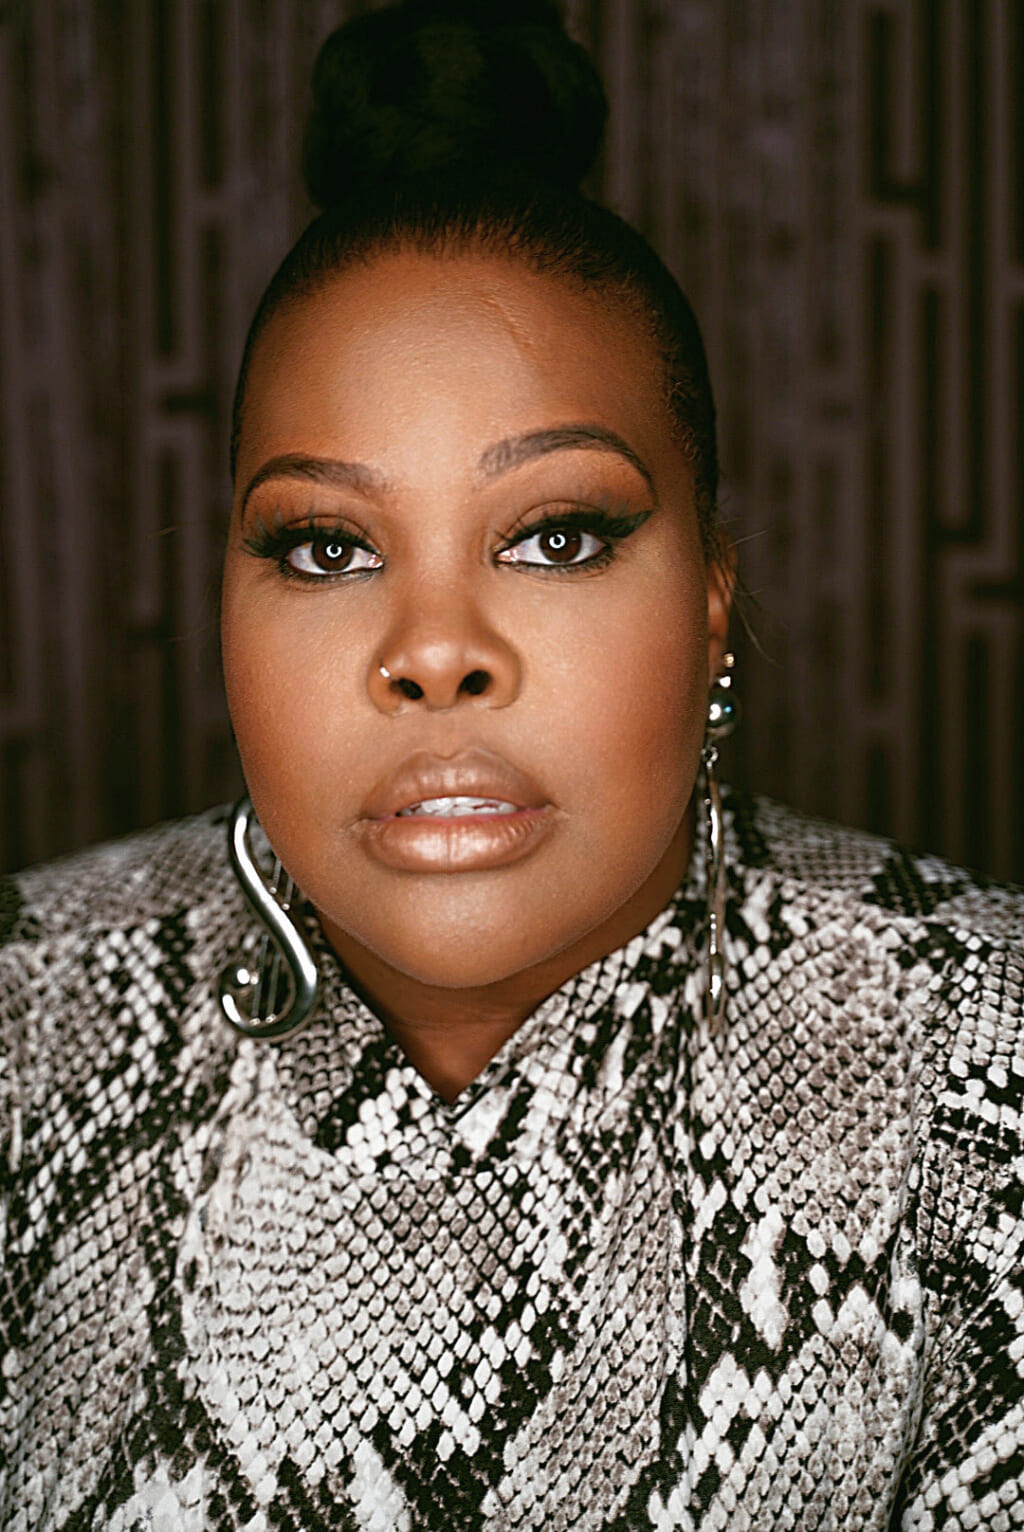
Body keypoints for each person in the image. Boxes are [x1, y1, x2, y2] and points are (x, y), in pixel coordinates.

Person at [2, 2, 1023, 1527]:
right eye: (326, 546)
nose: (435, 651)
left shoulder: (982, 1064)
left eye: (556, 536)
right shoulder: (25, 1021)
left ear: (713, 599)